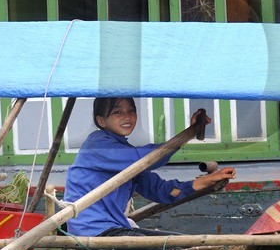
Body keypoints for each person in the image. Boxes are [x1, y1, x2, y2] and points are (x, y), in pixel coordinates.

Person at [62, 97, 235, 237]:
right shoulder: (98, 146)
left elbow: (164, 191)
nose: (127, 117)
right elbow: (149, 158)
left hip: (113, 230)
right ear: (101, 121)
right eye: (117, 112)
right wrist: (189, 133)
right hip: (93, 234)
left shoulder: (126, 159)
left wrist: (210, 179)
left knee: (182, 243)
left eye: (131, 110)